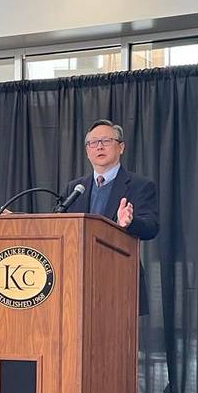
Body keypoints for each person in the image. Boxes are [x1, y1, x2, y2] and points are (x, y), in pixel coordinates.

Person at [61, 119, 159, 315]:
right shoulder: (75, 188)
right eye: (93, 143)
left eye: (106, 141)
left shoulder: (140, 185)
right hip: (77, 281)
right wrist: (19, 220)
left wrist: (130, 222)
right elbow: (59, 223)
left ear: (121, 147)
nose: (99, 146)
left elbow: (151, 227)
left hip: (119, 280)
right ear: (87, 152)